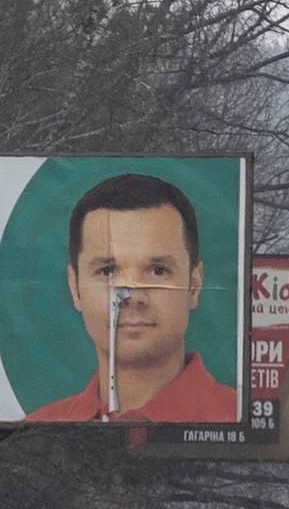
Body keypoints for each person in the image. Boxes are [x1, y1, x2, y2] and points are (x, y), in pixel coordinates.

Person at [26, 173, 237, 422]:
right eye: (108, 271)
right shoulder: (33, 432)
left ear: (194, 285)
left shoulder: (238, 419)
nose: (132, 296)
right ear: (75, 288)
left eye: (158, 270)